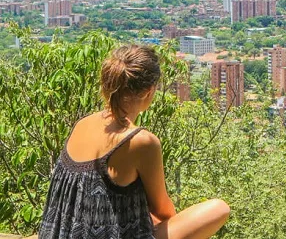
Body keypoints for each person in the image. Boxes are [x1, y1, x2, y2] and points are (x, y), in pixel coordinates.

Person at [39, 45, 230, 239]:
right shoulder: (140, 141)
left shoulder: (83, 123)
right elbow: (163, 211)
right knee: (218, 209)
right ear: (148, 91)